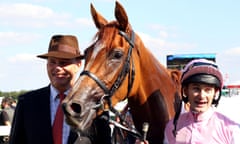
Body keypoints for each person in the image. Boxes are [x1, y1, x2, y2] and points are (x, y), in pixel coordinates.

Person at [9, 34, 111, 144]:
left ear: (78, 64)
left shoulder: (95, 105)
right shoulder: (27, 103)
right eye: (52, 62)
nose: (57, 68)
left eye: (63, 63)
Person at [164, 59, 240, 144]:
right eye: (196, 89)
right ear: (185, 91)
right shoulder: (172, 127)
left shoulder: (230, 129)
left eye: (208, 90)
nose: (202, 96)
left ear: (215, 93)